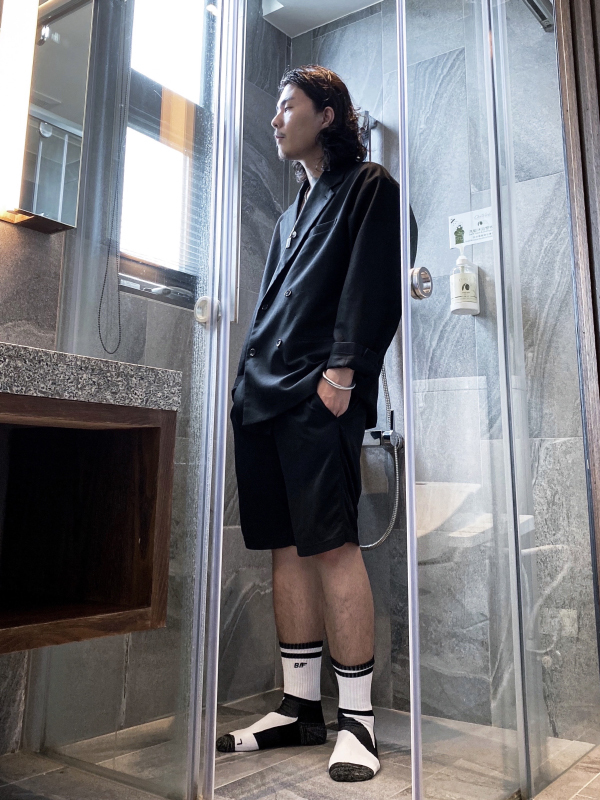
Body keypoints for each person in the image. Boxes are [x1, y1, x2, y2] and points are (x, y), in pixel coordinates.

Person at [217, 65, 409, 783]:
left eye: (287, 105)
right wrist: (244, 388)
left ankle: (356, 720)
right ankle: (300, 708)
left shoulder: (370, 187)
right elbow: (272, 307)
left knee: (331, 545)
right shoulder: (289, 215)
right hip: (264, 396)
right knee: (286, 548)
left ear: (326, 114)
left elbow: (374, 285)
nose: (275, 119)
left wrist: (342, 375)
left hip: (317, 392)